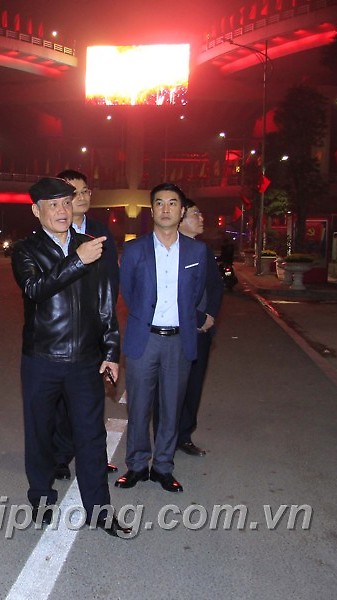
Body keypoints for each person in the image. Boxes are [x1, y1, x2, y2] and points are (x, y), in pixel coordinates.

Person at [10, 176, 128, 536]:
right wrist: (77, 261)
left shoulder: (91, 245)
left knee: (91, 436)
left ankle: (99, 510)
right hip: (42, 359)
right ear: (37, 210)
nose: (62, 210)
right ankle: (41, 498)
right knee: (40, 433)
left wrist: (111, 351)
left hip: (84, 360)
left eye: (66, 202)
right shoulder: (26, 250)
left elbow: (106, 303)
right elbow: (35, 289)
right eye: (53, 204)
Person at [114, 183, 212, 494]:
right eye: (159, 203)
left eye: (172, 203)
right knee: (138, 406)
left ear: (181, 211)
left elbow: (197, 292)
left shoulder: (197, 251)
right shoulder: (134, 250)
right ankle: (136, 465)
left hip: (179, 341)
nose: (166, 208)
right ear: (152, 209)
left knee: (172, 407)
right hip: (145, 338)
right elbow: (128, 292)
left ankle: (163, 467)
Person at [51, 169, 120, 481]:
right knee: (62, 401)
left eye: (85, 191)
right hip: (60, 331)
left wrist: (107, 326)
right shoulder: (52, 230)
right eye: (73, 192)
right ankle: (60, 456)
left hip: (93, 328)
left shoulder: (101, 232)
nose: (81, 197)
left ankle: (93, 457)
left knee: (92, 398)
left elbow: (111, 281)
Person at [161, 198, 223, 456]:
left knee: (194, 385)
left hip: (201, 331)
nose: (201, 218)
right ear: (181, 217)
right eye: (196, 214)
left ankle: (184, 435)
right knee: (168, 387)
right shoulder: (169, 249)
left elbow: (216, 286)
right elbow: (171, 293)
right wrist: (196, 318)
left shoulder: (203, 250)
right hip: (176, 329)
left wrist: (210, 316)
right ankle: (165, 435)